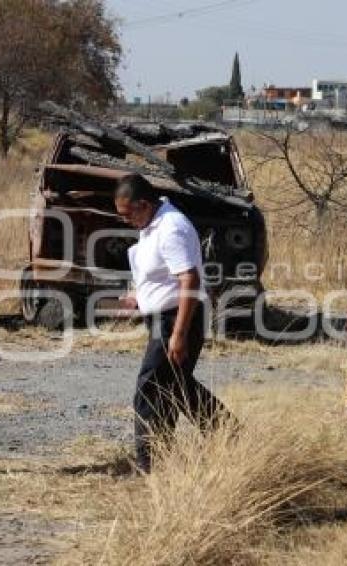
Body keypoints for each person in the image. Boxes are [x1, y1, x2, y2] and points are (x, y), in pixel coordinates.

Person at [115, 174, 233, 473]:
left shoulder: (171, 228)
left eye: (128, 214)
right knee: (175, 388)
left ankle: (148, 464)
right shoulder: (151, 224)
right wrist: (139, 297)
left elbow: (189, 280)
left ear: (143, 204)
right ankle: (229, 436)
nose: (126, 220)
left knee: (149, 388)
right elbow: (162, 274)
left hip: (179, 318)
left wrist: (178, 334)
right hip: (165, 317)